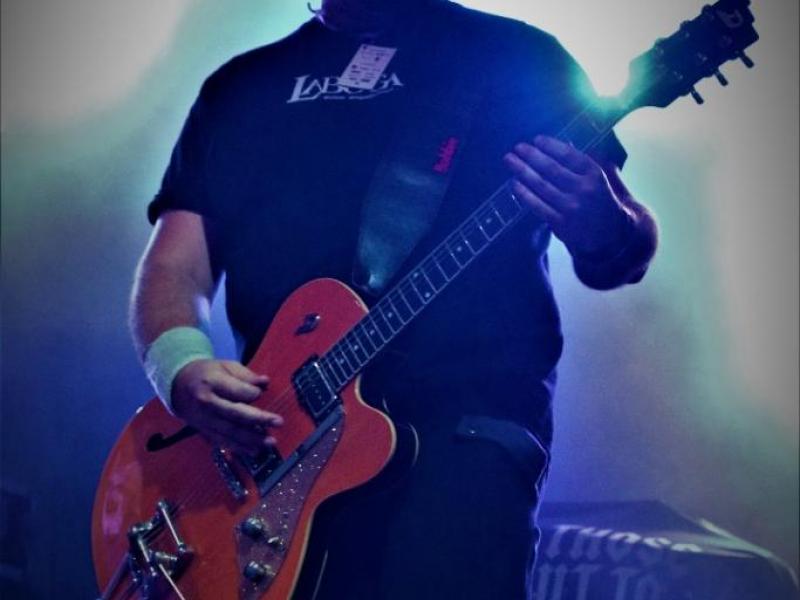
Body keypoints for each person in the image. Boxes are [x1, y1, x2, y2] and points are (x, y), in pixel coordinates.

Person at [131, 0, 658, 597]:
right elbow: (174, 264)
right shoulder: (241, 86)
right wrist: (180, 367)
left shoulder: (516, 57)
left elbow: (627, 245)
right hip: (280, 450)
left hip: (461, 436)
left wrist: (603, 222)